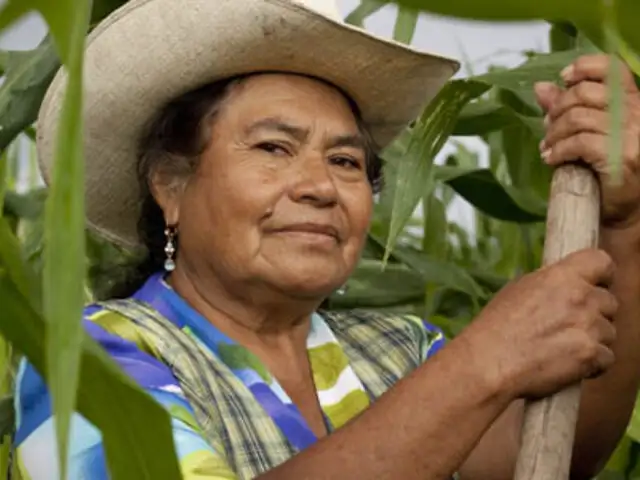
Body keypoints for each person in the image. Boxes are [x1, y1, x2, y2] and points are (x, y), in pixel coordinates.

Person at [13, 0, 640, 478]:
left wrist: (624, 226)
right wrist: (485, 363)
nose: (319, 186)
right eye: (273, 148)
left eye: (345, 161)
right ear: (170, 187)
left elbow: (555, 445)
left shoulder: (400, 350)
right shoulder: (86, 363)